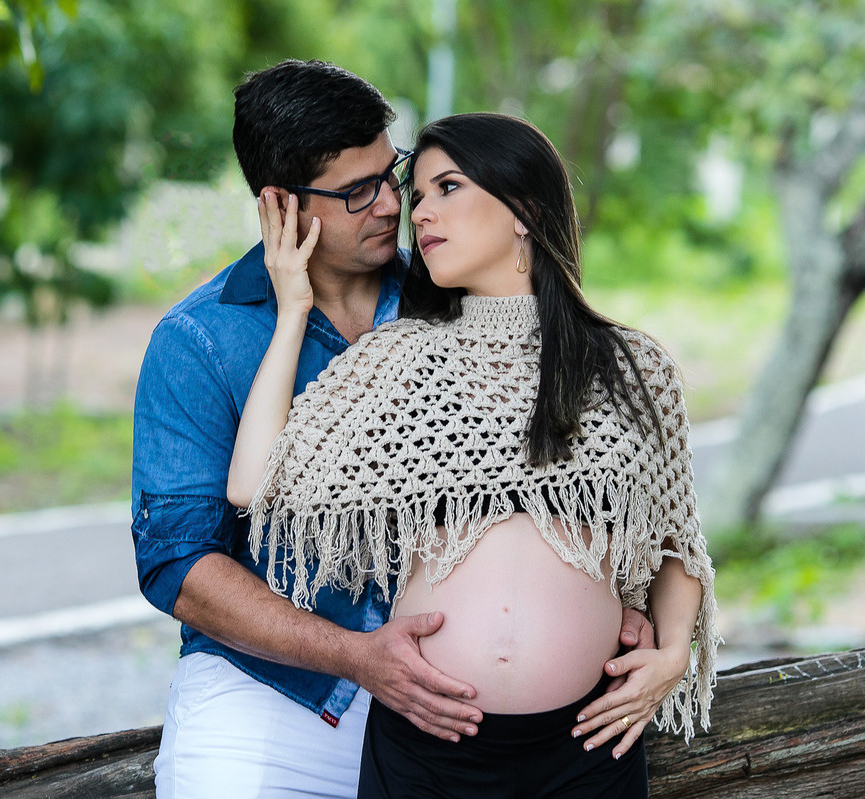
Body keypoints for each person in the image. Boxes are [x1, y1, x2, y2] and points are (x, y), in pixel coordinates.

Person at [132, 60, 653, 799]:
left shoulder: (451, 297)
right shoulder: (198, 341)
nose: (389, 205)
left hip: (466, 717)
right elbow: (178, 565)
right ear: (281, 204)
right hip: (278, 689)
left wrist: (622, 603)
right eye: (355, 192)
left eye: (393, 174)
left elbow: (562, 474)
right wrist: (355, 655)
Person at [228, 112, 718, 798]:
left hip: (587, 746)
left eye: (447, 187)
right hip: (428, 748)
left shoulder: (633, 366)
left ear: (524, 209)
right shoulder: (396, 361)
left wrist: (670, 653)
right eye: (418, 194)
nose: (420, 212)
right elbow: (253, 483)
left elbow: (675, 539)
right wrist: (292, 310)